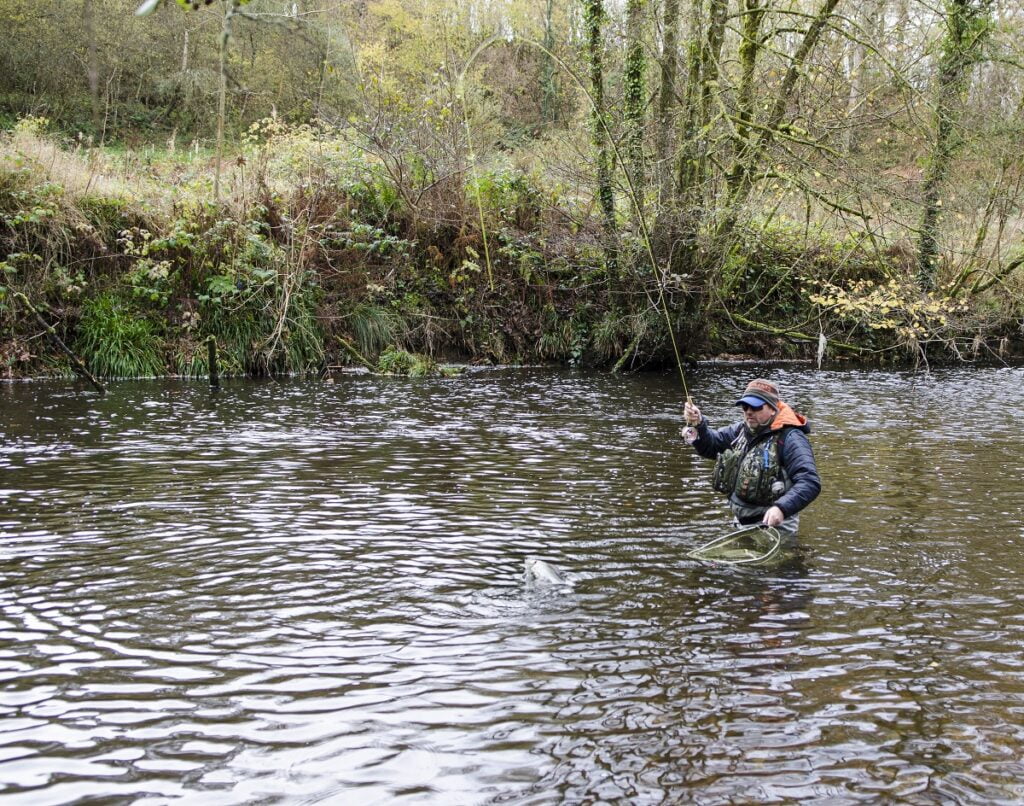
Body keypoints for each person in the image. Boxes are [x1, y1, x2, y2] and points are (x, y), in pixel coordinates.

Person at [682, 378, 820, 540]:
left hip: (776, 528)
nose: (748, 411)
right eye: (745, 406)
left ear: (773, 409)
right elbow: (711, 446)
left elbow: (810, 482)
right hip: (740, 525)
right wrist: (699, 424)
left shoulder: (791, 438)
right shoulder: (741, 430)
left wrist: (781, 508)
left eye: (755, 407)